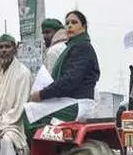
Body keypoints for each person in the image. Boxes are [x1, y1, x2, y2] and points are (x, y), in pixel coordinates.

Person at [25, 11, 100, 139]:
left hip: (78, 103)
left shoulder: (83, 47)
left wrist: (41, 94)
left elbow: (70, 81)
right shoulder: (71, 47)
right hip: (67, 100)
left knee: (28, 113)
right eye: (67, 23)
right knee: (32, 110)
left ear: (84, 27)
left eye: (74, 22)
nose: (69, 26)